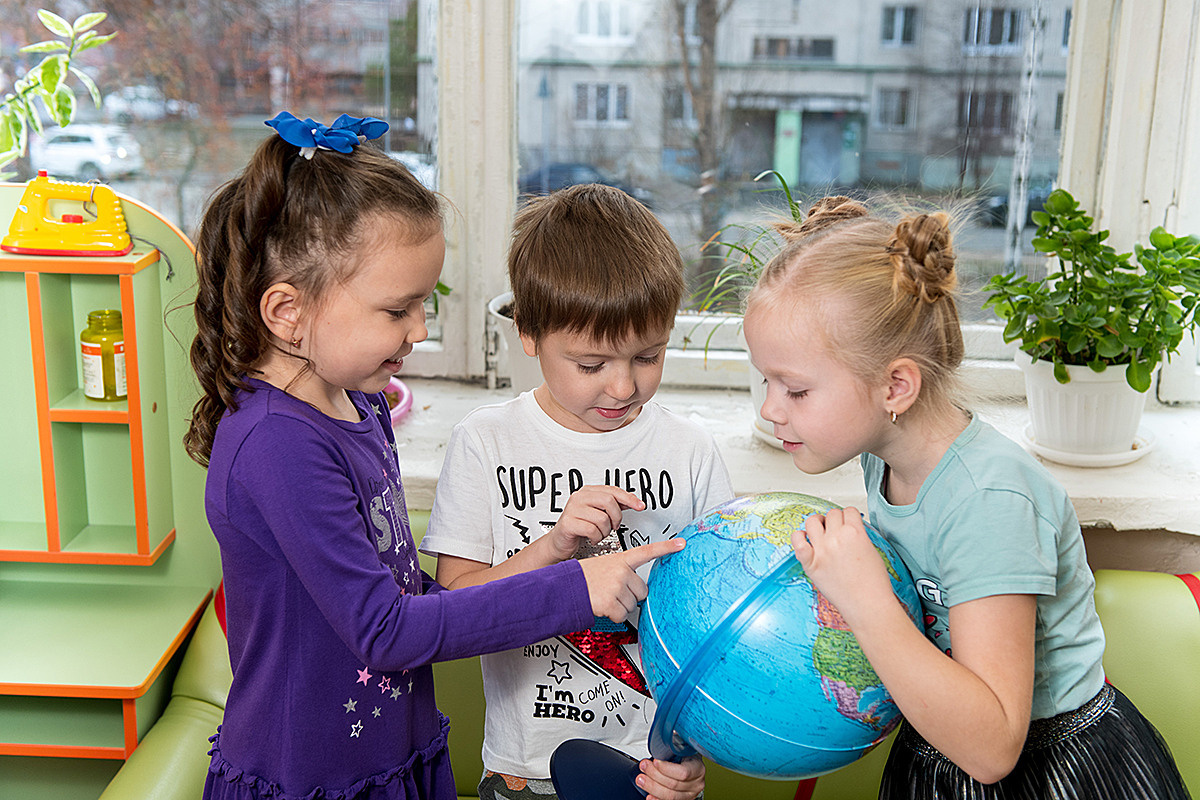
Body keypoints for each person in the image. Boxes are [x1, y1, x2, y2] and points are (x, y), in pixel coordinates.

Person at [183, 113, 688, 800]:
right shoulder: (275, 444)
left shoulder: (357, 406)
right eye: (399, 310)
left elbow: (407, 592)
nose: (421, 329)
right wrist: (576, 590)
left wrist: (551, 553)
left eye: (427, 303)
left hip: (391, 749)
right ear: (286, 312)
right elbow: (386, 629)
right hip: (309, 774)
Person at [742, 196, 1191, 800]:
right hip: (941, 746)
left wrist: (865, 597)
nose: (770, 409)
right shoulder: (889, 457)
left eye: (795, 389)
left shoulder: (989, 501)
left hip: (1049, 773)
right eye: (767, 381)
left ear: (895, 385)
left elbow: (993, 746)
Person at [420, 183, 734, 800]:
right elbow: (455, 607)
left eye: (649, 355)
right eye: (592, 364)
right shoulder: (486, 443)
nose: (623, 386)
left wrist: (691, 759)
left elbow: (715, 630)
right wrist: (554, 550)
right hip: (524, 773)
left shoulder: (691, 451)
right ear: (529, 334)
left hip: (657, 771)